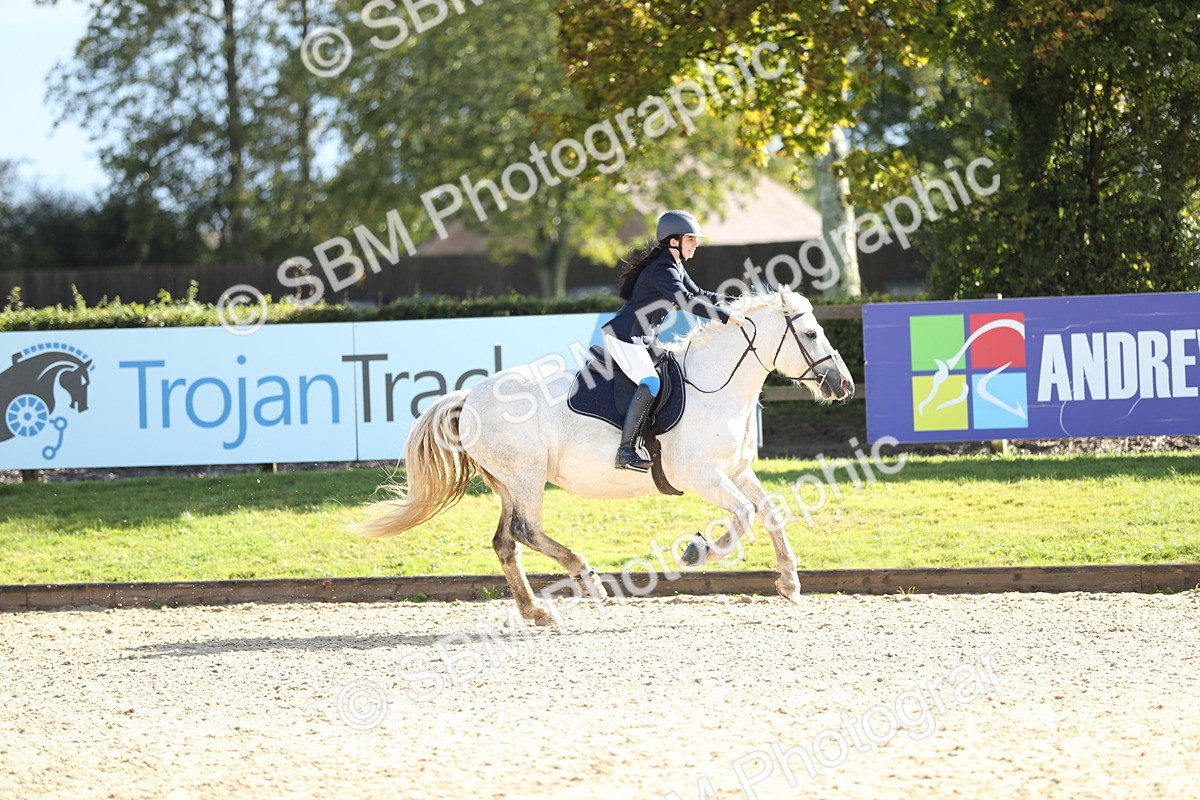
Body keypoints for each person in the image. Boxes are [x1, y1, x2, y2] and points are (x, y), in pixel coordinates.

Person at [601, 210, 745, 471]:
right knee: (651, 382)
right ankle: (625, 451)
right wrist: (725, 317)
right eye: (691, 239)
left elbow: (699, 293)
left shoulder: (674, 264)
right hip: (624, 338)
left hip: (641, 338)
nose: (697, 244)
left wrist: (736, 303)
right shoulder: (663, 270)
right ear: (673, 240)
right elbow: (686, 302)